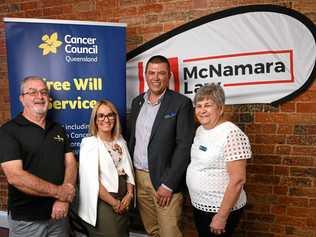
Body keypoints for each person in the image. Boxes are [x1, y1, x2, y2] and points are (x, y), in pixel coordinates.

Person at [0, 76, 77, 237]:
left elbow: (71, 163)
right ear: (22, 99)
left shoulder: (58, 129)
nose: (39, 97)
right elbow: (15, 176)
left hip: (59, 215)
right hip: (27, 221)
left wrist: (64, 199)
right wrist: (59, 193)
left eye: (43, 92)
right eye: (32, 92)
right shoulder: (8, 131)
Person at [129, 55, 195, 237]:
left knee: (169, 232)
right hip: (139, 177)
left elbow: (185, 146)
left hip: (164, 180)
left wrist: (169, 183)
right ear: (145, 75)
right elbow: (133, 140)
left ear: (169, 76)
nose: (156, 78)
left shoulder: (181, 104)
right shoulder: (137, 103)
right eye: (151, 73)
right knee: (152, 230)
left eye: (161, 73)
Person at [186, 83, 252, 237]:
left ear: (220, 108)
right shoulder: (201, 130)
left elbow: (238, 180)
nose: (202, 110)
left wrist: (222, 216)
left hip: (219, 209)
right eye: (199, 106)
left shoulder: (232, 134)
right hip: (201, 205)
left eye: (208, 105)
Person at [78, 100, 135, 237]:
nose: (106, 119)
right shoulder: (89, 144)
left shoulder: (120, 140)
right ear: (95, 120)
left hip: (124, 198)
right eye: (101, 116)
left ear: (115, 118)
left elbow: (128, 170)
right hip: (104, 200)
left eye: (110, 115)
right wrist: (114, 203)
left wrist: (130, 193)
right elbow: (92, 181)